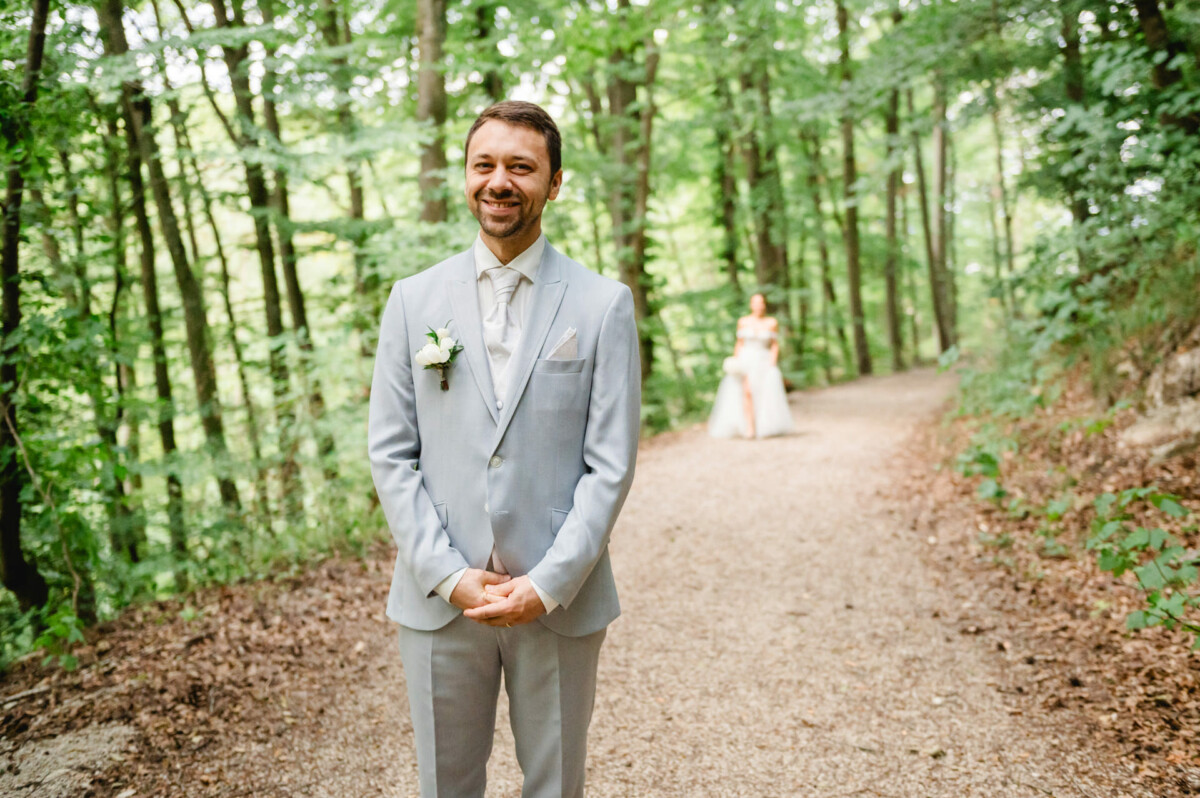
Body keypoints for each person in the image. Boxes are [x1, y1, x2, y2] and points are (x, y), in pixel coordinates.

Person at [367, 101, 641, 798]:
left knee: (554, 785)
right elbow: (391, 454)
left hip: (558, 597)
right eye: (484, 164)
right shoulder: (412, 300)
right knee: (445, 786)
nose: (499, 181)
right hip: (440, 596)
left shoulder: (603, 305)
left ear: (554, 184)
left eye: (521, 167)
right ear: (465, 176)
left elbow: (610, 464)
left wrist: (549, 583)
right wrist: (446, 573)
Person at [708, 292, 794, 439]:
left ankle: (763, 425)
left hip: (764, 361)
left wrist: (772, 362)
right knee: (747, 392)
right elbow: (739, 343)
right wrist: (735, 361)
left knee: (763, 392)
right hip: (746, 360)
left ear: (764, 305)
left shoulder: (771, 322)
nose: (759, 306)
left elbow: (774, 345)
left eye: (761, 303)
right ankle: (750, 427)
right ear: (751, 304)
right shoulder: (743, 321)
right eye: (756, 302)